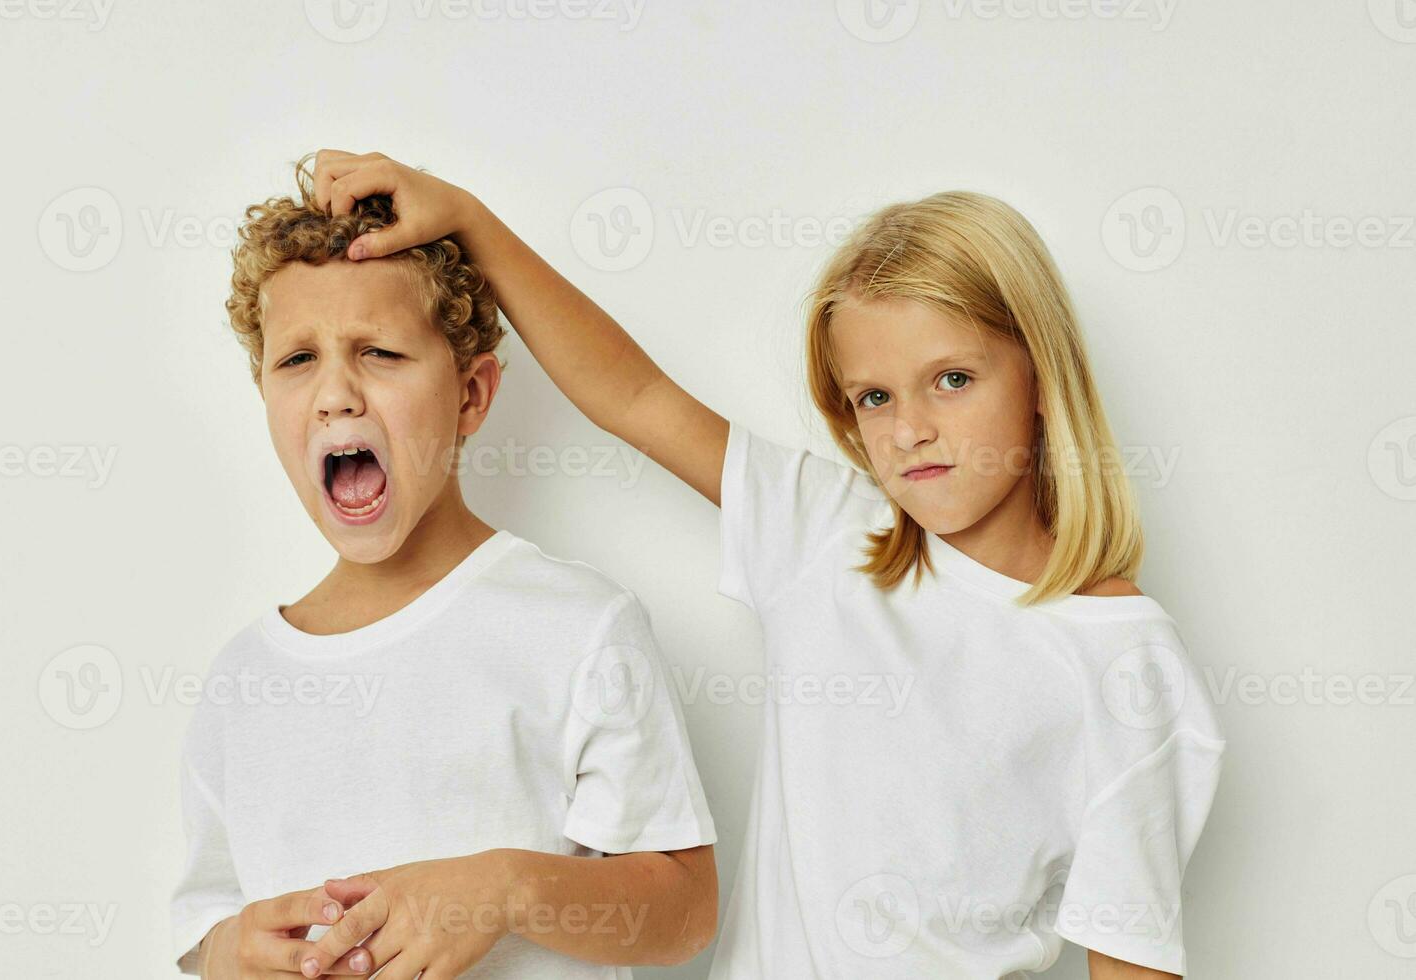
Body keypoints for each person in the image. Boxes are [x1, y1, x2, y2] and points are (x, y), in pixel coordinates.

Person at [305, 148, 1227, 979]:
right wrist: (470, 219)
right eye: (873, 396)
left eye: (953, 378)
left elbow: (1133, 961)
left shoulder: (1126, 663)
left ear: (1039, 375)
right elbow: (630, 393)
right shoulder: (829, 537)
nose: (909, 429)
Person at [168, 155, 718, 979]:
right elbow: (207, 922)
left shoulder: (577, 627)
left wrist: (502, 889)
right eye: (295, 361)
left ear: (471, 396)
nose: (335, 395)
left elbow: (685, 910)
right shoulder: (241, 679)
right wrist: (223, 954)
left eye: (380, 353)